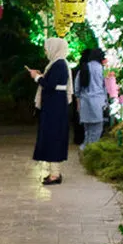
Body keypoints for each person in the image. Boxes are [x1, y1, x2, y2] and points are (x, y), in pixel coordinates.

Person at [29, 37, 73, 185]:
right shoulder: (58, 64)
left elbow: (50, 85)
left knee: (53, 136)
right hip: (55, 104)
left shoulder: (59, 64)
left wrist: (37, 78)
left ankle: (55, 174)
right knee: (53, 136)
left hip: (54, 106)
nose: (46, 51)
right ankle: (54, 171)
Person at [75, 48, 106, 146]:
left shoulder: (84, 68)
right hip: (98, 104)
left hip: (85, 104)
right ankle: (90, 153)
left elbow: (77, 88)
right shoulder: (101, 69)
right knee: (96, 132)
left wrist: (78, 101)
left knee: (87, 132)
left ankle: (84, 150)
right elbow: (106, 87)